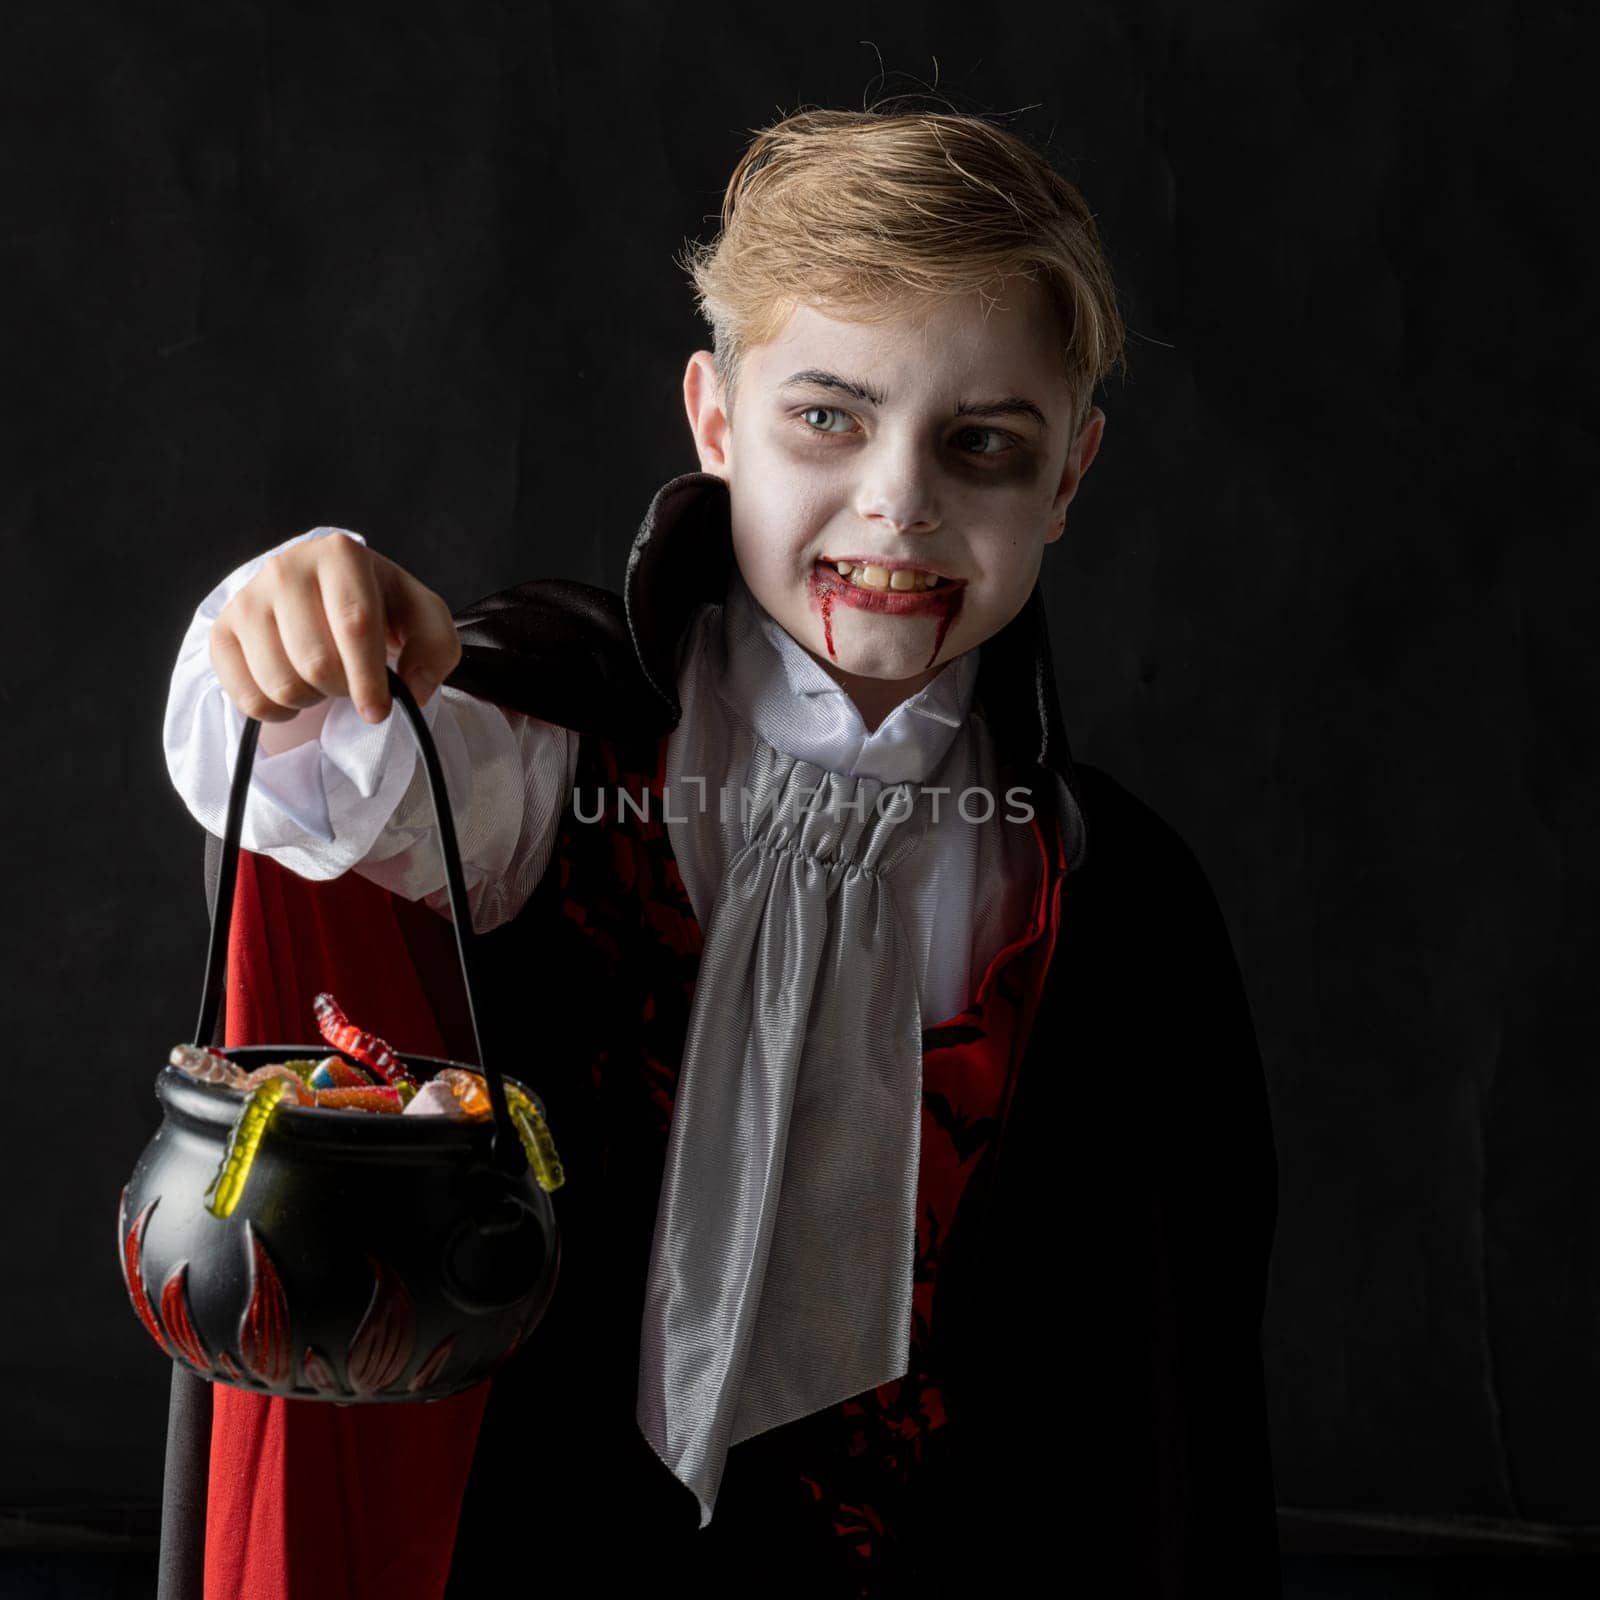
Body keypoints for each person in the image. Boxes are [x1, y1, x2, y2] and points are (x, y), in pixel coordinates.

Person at [158, 104, 1280, 1597]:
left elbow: (1159, 1378)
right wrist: (286, 620)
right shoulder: (554, 749)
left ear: (1069, 477)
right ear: (712, 421)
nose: (900, 502)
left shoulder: (1109, 894)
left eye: (984, 445)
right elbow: (314, 789)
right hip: (555, 1542)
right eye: (829, 416)